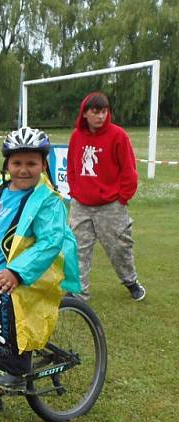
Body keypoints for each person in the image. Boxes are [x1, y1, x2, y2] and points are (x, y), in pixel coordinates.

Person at [0, 127, 81, 403]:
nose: (23, 170)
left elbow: (50, 242)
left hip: (30, 276)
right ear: (7, 164)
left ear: (44, 164)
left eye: (31, 163)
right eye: (17, 163)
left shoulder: (48, 200)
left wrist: (17, 272)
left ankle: (17, 371)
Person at [67, 92, 145, 302]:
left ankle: (130, 281)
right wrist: (75, 190)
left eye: (104, 111)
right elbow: (72, 166)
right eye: (95, 112)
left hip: (111, 205)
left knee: (120, 247)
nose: (100, 116)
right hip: (81, 204)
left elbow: (129, 170)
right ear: (85, 114)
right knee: (78, 249)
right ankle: (78, 291)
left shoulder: (118, 136)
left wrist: (122, 197)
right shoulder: (76, 136)